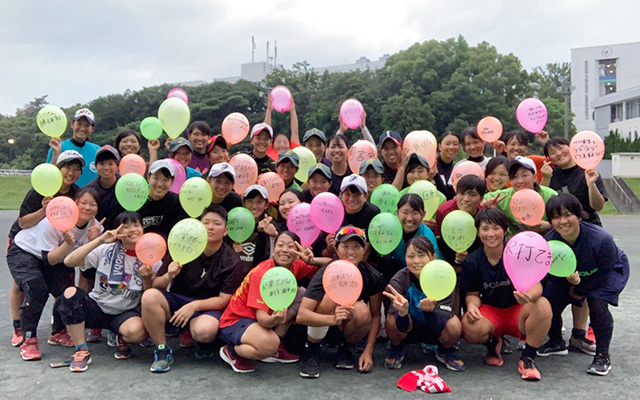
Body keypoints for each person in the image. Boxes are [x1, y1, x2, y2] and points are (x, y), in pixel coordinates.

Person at [141, 205, 243, 372]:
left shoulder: (231, 260)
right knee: (149, 296)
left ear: (225, 231)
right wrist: (169, 275)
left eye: (216, 223)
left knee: (204, 331)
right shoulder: (183, 246)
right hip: (178, 300)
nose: (210, 227)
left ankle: (199, 340)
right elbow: (156, 285)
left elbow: (224, 300)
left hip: (208, 307)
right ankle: (162, 350)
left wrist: (194, 306)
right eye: (206, 222)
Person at [6, 187, 103, 361]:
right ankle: (29, 339)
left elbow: (82, 262)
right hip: (25, 251)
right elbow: (49, 260)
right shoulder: (52, 222)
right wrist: (67, 244)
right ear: (74, 204)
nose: (87, 208)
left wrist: (93, 241)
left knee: (66, 291)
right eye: (83, 203)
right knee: (36, 288)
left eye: (92, 204)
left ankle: (58, 332)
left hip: (56, 257)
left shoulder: (95, 228)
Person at [538, 194, 629, 376]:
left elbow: (604, 273)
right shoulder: (549, 243)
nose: (563, 221)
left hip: (608, 271)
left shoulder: (600, 238)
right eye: (556, 217)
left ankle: (602, 356)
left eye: (568, 215)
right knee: (548, 300)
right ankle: (556, 341)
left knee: (597, 302)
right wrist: (567, 282)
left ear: (579, 216)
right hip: (575, 276)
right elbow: (550, 276)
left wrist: (580, 289)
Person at [59, 211, 161, 372]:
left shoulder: (152, 255)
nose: (132, 229)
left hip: (125, 312)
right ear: (118, 232)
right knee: (70, 294)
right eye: (126, 226)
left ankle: (120, 336)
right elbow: (69, 261)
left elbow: (150, 297)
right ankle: (81, 350)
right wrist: (100, 240)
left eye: (136, 225)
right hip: (97, 306)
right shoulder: (105, 249)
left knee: (136, 332)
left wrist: (147, 279)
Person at [460, 207, 552, 381]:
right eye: (485, 229)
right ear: (478, 233)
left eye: (496, 228)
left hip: (517, 311)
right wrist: (472, 305)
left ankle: (528, 358)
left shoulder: (520, 254)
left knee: (543, 305)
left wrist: (529, 297)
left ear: (505, 230)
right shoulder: (473, 260)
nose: (491, 234)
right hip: (491, 312)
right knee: (468, 325)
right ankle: (493, 342)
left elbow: (537, 286)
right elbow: (472, 293)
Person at [6, 150, 84, 347]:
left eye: (77, 169)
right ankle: (22, 330)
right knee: (29, 284)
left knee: (65, 286)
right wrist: (44, 209)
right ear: (59, 169)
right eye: (68, 167)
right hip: (25, 244)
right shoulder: (42, 190)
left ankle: (58, 331)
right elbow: (23, 222)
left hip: (54, 245)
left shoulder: (77, 193)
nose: (71, 172)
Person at [219, 231, 326, 373]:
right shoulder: (261, 273)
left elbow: (332, 266)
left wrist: (311, 260)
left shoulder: (296, 265)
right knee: (269, 345)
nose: (284, 250)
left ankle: (277, 346)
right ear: (273, 250)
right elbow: (263, 319)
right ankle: (231, 350)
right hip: (236, 321)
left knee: (301, 294)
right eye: (280, 245)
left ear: (298, 251)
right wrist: (274, 320)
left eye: (290, 246)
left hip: (259, 321)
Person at [297, 226, 386, 378]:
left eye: (356, 247)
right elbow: (302, 315)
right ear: (337, 250)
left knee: (362, 310)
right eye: (345, 246)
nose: (351, 252)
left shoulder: (372, 276)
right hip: (321, 326)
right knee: (331, 297)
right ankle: (312, 351)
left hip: (348, 328)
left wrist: (368, 351)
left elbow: (376, 315)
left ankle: (347, 349)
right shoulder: (327, 271)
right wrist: (332, 319)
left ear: (364, 250)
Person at [383, 236, 464, 371]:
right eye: (411, 256)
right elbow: (402, 327)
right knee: (391, 319)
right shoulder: (399, 280)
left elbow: (438, 327)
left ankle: (444, 351)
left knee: (454, 324)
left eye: (421, 256)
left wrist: (429, 312)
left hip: (435, 327)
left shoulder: (445, 279)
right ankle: (397, 348)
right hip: (408, 328)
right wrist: (402, 313)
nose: (416, 261)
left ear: (433, 257)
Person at [483, 156, 557, 238]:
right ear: (510, 181)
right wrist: (487, 206)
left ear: (535, 177)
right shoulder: (503, 196)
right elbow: (478, 202)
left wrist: (549, 225)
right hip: (513, 244)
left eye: (524, 175)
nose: (520, 181)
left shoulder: (550, 196)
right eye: (514, 177)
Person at [541, 137, 607, 226]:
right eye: (552, 152)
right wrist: (546, 178)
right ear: (549, 159)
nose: (559, 153)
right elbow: (540, 201)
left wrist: (591, 184)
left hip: (588, 225)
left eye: (560, 148)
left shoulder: (588, 172)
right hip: (561, 227)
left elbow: (598, 207)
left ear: (571, 148)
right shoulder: (550, 174)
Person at [389, 194, 443, 283]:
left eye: (415, 213)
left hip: (420, 275)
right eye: (405, 212)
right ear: (397, 213)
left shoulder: (428, 236)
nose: (409, 218)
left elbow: (434, 269)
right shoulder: (388, 226)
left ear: (423, 214)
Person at [435, 175, 486, 266]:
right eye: (462, 193)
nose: (466, 199)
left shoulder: (482, 217)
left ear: (481, 199)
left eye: (472, 194)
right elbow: (439, 240)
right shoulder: (444, 211)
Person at [325, 175, 380, 259]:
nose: (351, 199)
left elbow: (367, 249)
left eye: (357, 194)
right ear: (341, 195)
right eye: (347, 194)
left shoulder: (372, 213)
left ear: (365, 196)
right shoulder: (333, 211)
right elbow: (325, 253)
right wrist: (330, 247)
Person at [47, 108, 100, 187]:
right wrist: (55, 154)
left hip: (90, 198)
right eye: (79, 124)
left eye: (87, 125)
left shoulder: (97, 150)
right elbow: (48, 176)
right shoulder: (57, 147)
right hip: (65, 196)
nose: (82, 128)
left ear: (92, 129)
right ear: (72, 124)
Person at [234, 185, 277, 274]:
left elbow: (266, 261)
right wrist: (232, 251)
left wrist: (267, 235)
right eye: (250, 201)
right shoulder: (234, 224)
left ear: (266, 205)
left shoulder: (271, 227)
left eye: (259, 202)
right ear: (244, 203)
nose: (254, 206)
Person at [138, 160, 187, 238]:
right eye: (156, 178)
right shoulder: (136, 200)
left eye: (165, 179)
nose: (160, 184)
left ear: (172, 182)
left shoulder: (177, 203)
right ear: (148, 177)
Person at [87, 145, 123, 230]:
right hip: (98, 235)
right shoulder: (90, 190)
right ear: (96, 166)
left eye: (110, 163)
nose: (106, 168)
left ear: (117, 166)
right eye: (102, 164)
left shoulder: (125, 184)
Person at [264, 94, 300, 160]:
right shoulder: (268, 152)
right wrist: (269, 109)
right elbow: (266, 130)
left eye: (285, 142)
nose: (282, 145)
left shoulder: (294, 152)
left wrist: (292, 110)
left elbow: (295, 132)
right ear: (272, 143)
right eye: (278, 142)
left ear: (290, 145)